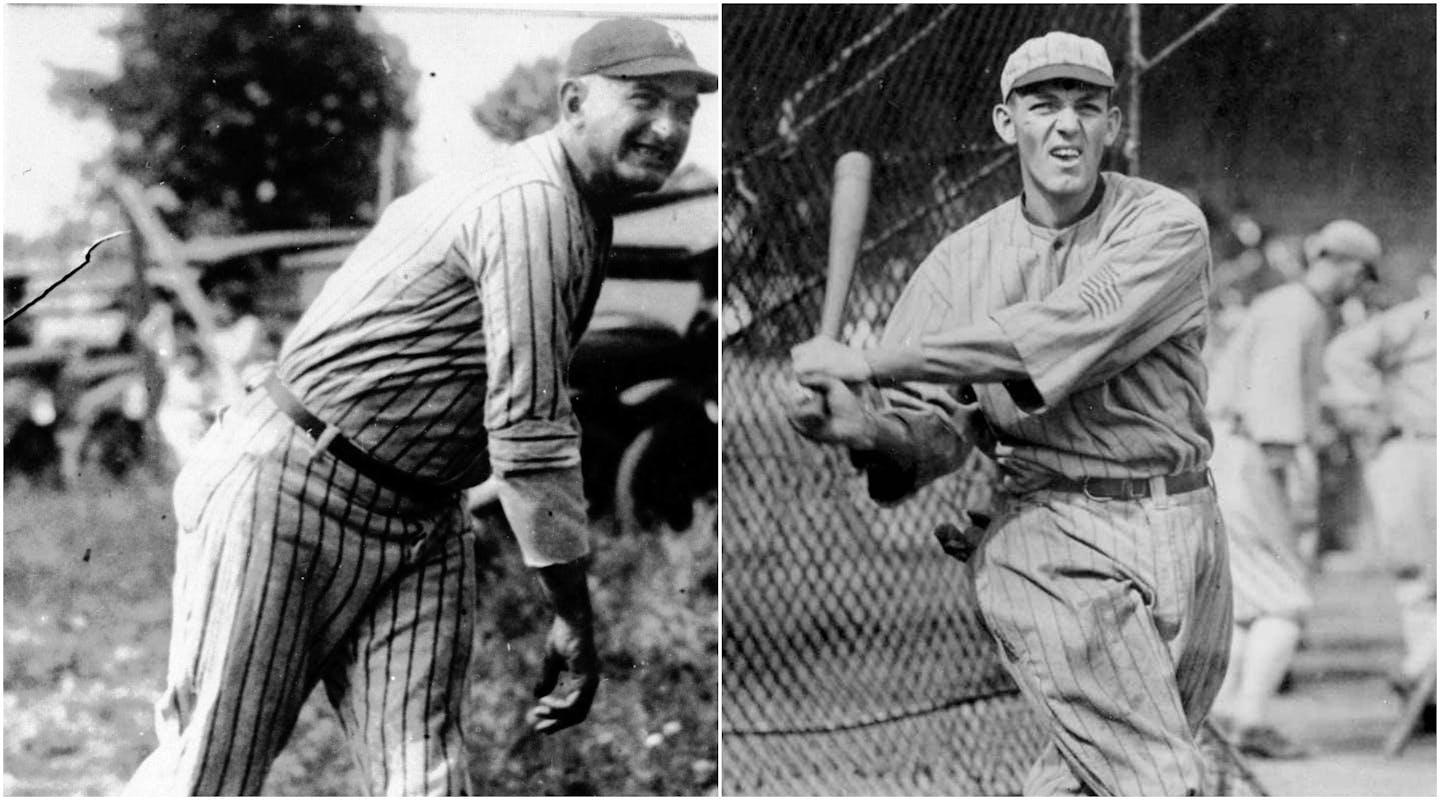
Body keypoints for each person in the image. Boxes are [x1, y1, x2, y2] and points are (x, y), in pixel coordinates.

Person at [125, 17, 715, 795]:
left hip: (420, 512)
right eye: (645, 99)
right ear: (574, 101)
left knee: (425, 778)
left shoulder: (582, 209)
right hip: (291, 485)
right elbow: (529, 427)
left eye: (687, 109)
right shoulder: (532, 201)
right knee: (211, 767)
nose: (669, 128)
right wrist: (572, 610)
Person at [789, 31, 1230, 797]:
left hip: (1190, 526)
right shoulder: (957, 264)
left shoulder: (1164, 226)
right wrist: (863, 428)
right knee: (1160, 781)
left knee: (1094, 777)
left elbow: (1053, 332)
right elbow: (929, 438)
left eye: (1085, 107)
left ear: (1111, 126)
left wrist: (865, 362)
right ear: (1005, 123)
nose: (1066, 125)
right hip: (1053, 538)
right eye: (1042, 105)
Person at [1205, 219, 1382, 758]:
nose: (1360, 285)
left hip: (1234, 454)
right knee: (1287, 598)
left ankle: (1227, 718)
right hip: (1259, 460)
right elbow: (1275, 429)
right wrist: (1284, 514)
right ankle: (1249, 721)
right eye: (1361, 274)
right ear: (1345, 264)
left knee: (1249, 602)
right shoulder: (1296, 313)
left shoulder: (1286, 305)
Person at [1324, 269, 1436, 702]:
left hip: (1417, 451)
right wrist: (1371, 410)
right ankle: (1424, 682)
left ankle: (1422, 673)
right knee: (1417, 575)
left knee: (1424, 579)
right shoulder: (1423, 314)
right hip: (1417, 447)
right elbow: (1344, 353)